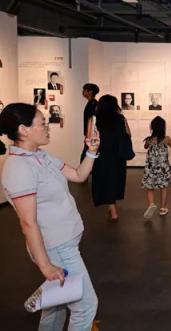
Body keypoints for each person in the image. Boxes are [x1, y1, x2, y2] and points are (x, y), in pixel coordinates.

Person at [0, 103, 101, 330]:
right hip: (57, 248)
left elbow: (78, 175)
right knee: (85, 307)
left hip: (64, 243)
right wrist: (46, 266)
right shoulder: (19, 168)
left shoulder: (39, 155)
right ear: (24, 130)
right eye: (42, 124)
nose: (48, 127)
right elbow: (28, 222)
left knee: (56, 304)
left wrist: (91, 151)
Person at [91, 95, 131, 222]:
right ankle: (111, 207)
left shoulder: (95, 119)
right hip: (117, 155)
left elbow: (89, 137)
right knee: (114, 180)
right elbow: (128, 134)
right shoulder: (120, 118)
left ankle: (113, 212)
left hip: (101, 155)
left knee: (104, 180)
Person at [141, 116, 171, 219]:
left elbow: (145, 147)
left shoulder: (149, 140)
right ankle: (163, 208)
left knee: (150, 187)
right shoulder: (167, 139)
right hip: (163, 167)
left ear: (152, 127)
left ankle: (151, 205)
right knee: (163, 187)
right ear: (163, 127)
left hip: (150, 167)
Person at [81, 83, 99, 161]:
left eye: (84, 90)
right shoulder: (91, 103)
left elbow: (93, 120)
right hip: (90, 135)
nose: (83, 92)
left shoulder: (93, 104)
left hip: (91, 136)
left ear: (90, 91)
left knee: (85, 157)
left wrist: (89, 135)